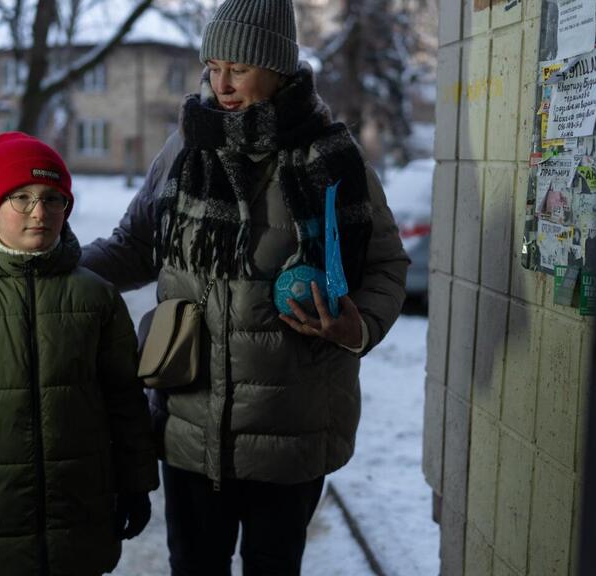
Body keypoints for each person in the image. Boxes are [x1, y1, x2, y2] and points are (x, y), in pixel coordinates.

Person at [80, 1, 409, 574]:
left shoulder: (331, 158)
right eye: (213, 66)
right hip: (188, 422)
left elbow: (384, 266)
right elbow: (136, 246)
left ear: (278, 68)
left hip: (292, 426)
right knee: (194, 565)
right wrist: (56, 265)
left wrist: (359, 326)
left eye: (240, 67)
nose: (222, 83)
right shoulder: (184, 148)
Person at [0, 132, 158, 575]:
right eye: (20, 197)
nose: (39, 212)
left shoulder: (97, 299)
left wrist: (136, 483)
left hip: (82, 509)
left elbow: (125, 402)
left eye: (53, 198)